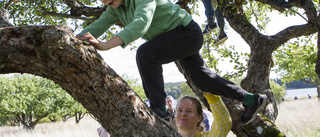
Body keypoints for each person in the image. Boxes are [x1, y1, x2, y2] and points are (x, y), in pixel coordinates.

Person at [76, 0, 267, 125]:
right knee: (202, 80)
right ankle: (252, 99)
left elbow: (141, 23)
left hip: (187, 33)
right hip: (173, 39)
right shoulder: (115, 7)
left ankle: (159, 110)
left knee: (146, 54)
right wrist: (74, 39)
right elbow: (99, 24)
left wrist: (106, 45)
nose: (104, 1)